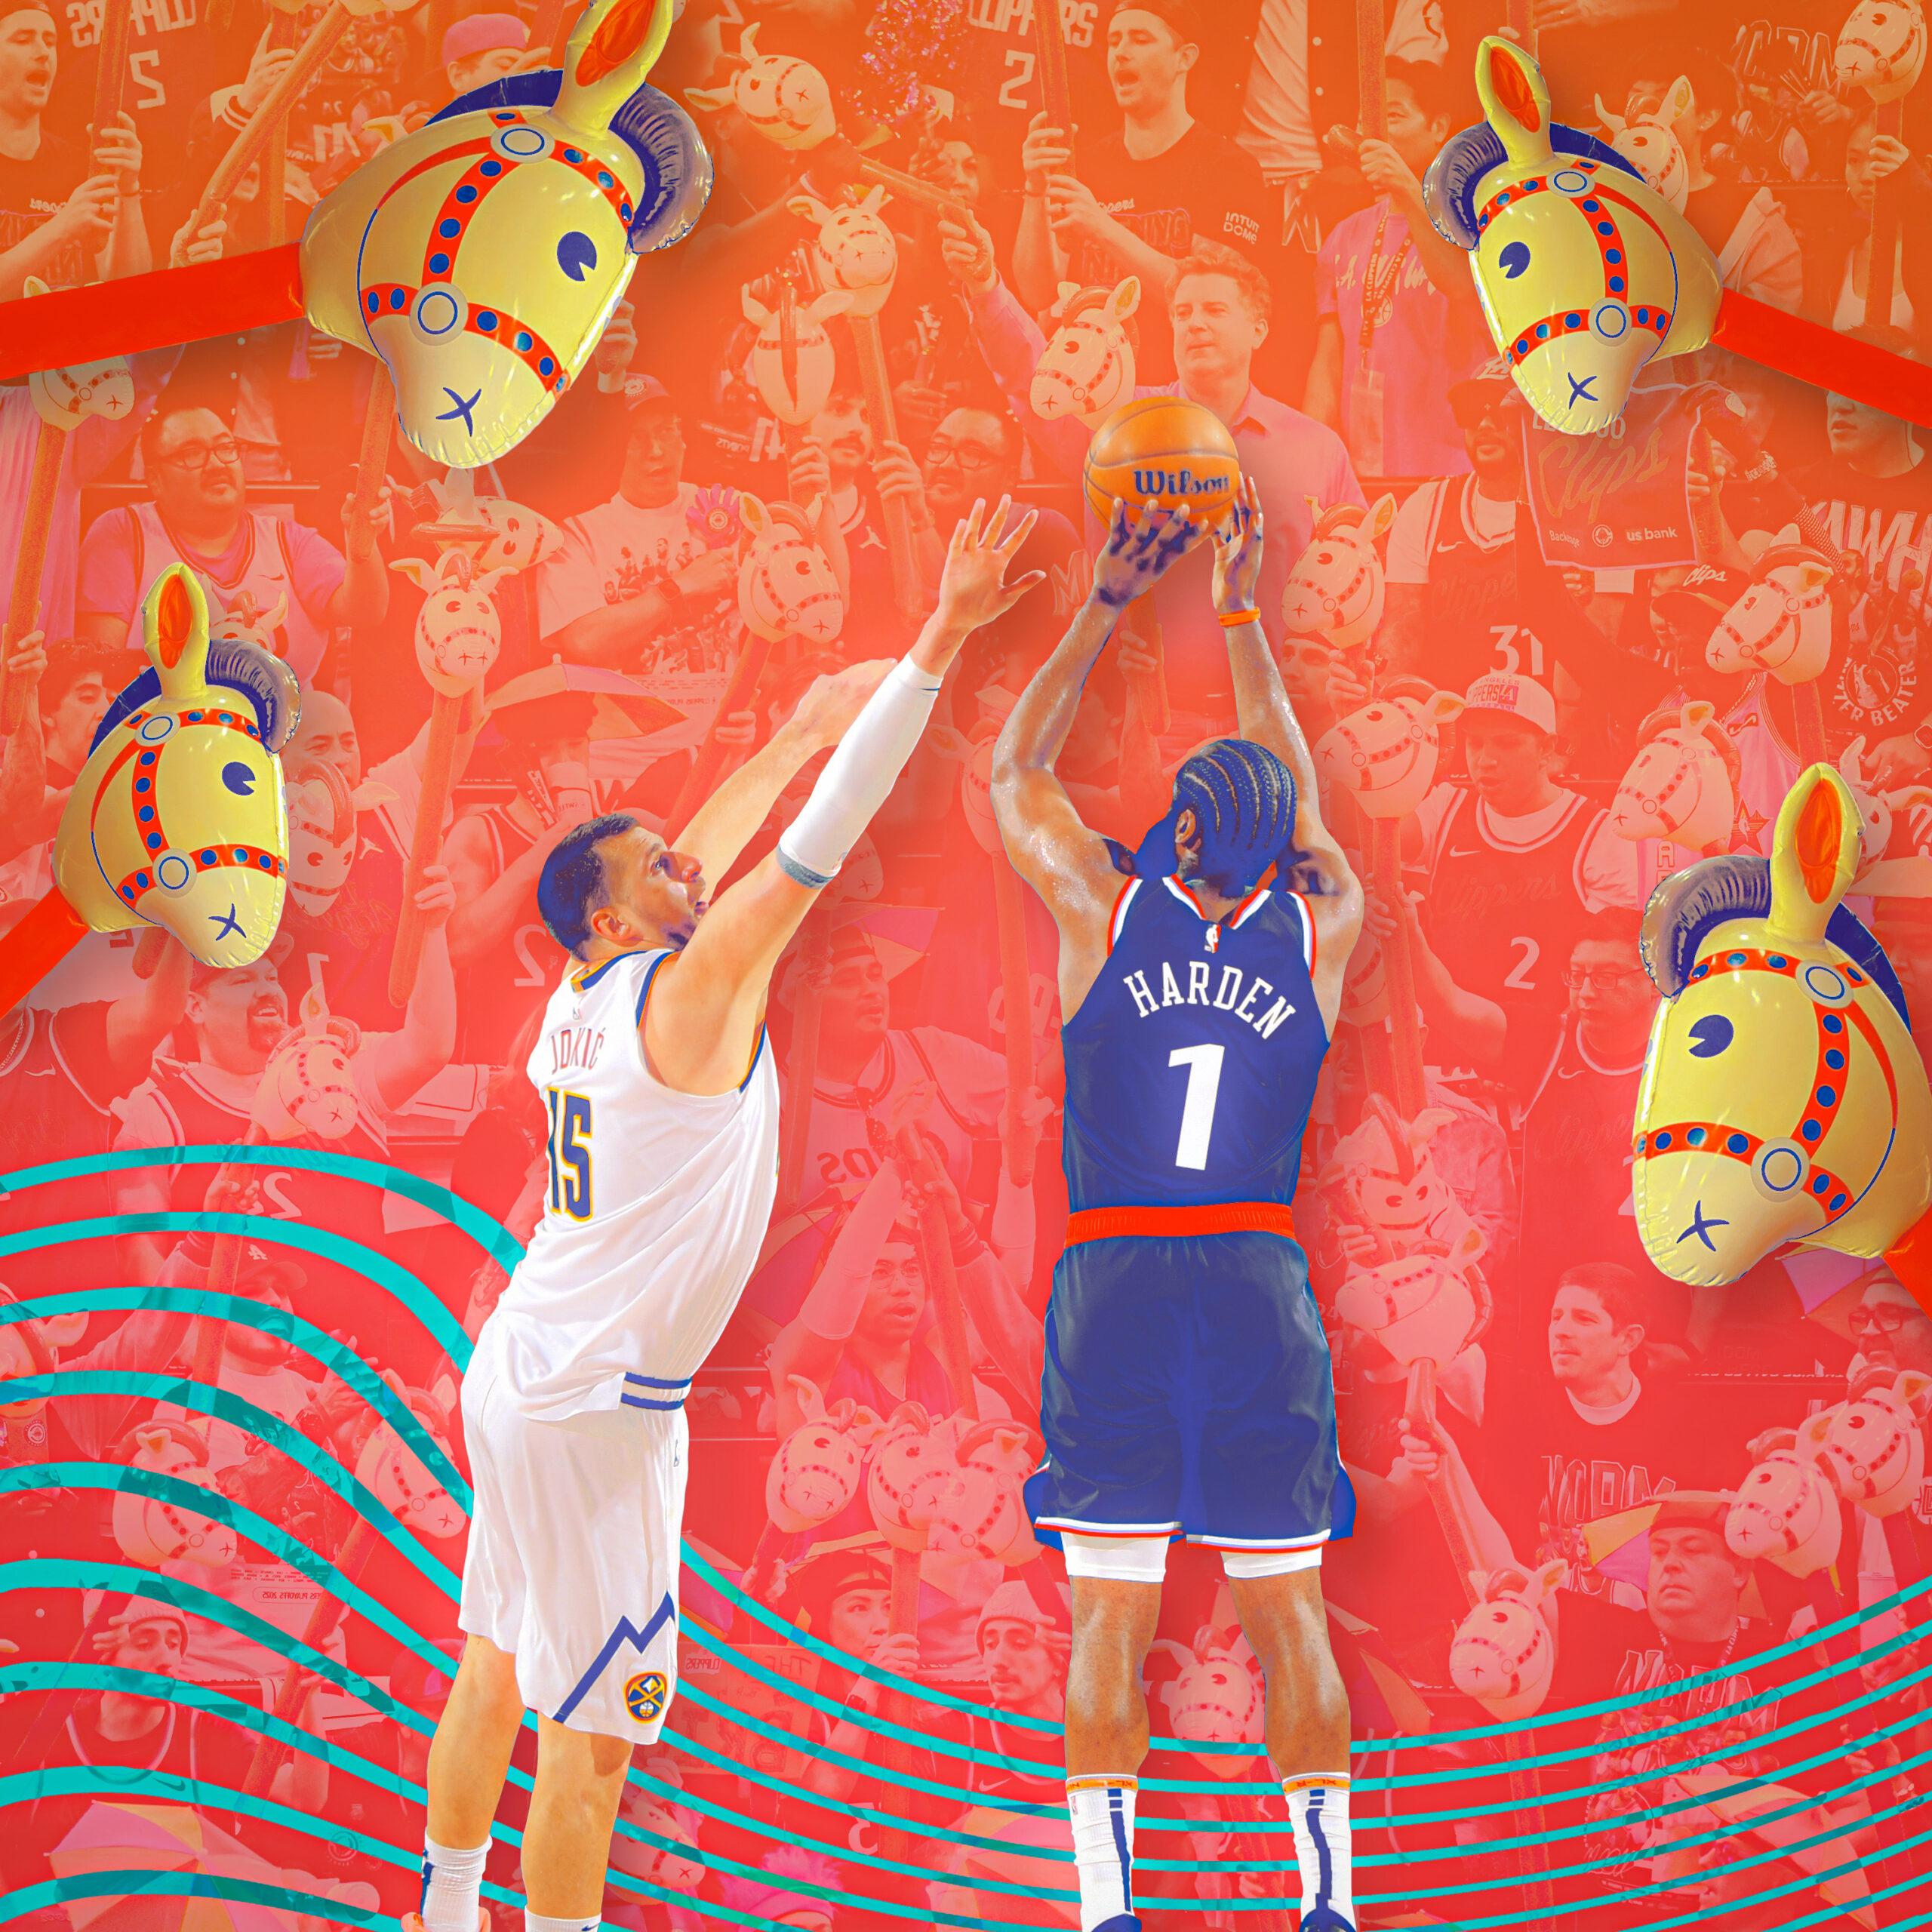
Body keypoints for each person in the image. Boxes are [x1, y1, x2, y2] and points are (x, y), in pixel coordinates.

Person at [407, 502, 1042, 1932]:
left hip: (520, 1369)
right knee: (594, 1745)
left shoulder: (581, 990)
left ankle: (440, 1911)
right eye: (662, 874)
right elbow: (825, 834)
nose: (690, 871)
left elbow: (697, 839)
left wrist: (794, 721)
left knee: (495, 1657)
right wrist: (937, 641)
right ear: (616, 921)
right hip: (597, 1414)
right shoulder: (695, 989)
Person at [992, 481, 1365, 1932]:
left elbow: (1017, 768)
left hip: (1121, 1286)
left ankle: (1107, 1911)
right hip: (1257, 1284)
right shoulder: (1321, 925)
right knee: (1291, 1615)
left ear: (1185, 831)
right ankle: (1327, 1905)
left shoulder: (1103, 909)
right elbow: (1298, 797)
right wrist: (1240, 613)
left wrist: (1102, 604)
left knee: (1110, 1617)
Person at [952, 229, 1361, 706]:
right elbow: (1032, 375)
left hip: (1275, 715)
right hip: (1142, 714)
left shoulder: (1317, 448)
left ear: (1259, 330)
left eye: (1215, 310)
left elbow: (1355, 585)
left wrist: (1337, 681)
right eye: (1182, 313)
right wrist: (985, 286)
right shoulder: (1117, 423)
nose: (1195, 324)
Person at [1013, 0, 1275, 387]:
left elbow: (1210, 298)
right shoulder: (1087, 165)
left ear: (1184, 58)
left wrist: (1103, 227)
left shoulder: (1229, 168)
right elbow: (1037, 292)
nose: (1121, 52)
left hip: (1184, 396)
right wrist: (1035, 188)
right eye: (1114, 41)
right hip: (1091, 390)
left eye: (1140, 39)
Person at [1407, 671, 1638, 1103]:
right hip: (1443, 1063)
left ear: (1547, 749)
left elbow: (1608, 974)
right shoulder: (1447, 806)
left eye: (1506, 744)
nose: (1486, 760)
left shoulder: (1598, 832)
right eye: (1475, 743)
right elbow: (1372, 828)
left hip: (1539, 1068)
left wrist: (1540, 1062)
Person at [75, 402, 390, 685]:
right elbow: (104, 667)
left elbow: (364, 611)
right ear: (154, 478)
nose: (216, 464)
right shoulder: (121, 533)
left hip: (285, 726)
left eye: (226, 448)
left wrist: (361, 545)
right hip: (163, 723)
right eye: (192, 454)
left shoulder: (289, 540)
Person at [1305, 59, 1487, 478]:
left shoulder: (1474, 219)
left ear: (1438, 127)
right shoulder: (1343, 236)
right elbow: (1328, 364)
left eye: (1393, 116)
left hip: (1451, 468)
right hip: (1364, 473)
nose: (1376, 135)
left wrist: (1406, 186)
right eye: (1365, 122)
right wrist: (1310, 455)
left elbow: (1461, 287)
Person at [0, 3, 149, 295]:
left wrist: (128, 190)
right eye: (23, 40)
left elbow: (132, 288)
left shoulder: (78, 166)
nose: (43, 52)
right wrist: (62, 227)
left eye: (50, 41)